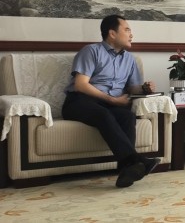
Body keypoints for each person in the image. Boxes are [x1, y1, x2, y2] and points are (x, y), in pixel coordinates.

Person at [62, 14, 161, 188]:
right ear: (112, 33)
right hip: (79, 102)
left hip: (107, 104)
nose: (131, 35)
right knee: (104, 114)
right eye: (127, 30)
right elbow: (80, 84)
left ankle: (126, 171)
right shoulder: (91, 51)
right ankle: (136, 160)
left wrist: (145, 88)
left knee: (127, 117)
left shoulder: (129, 59)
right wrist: (112, 100)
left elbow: (133, 88)